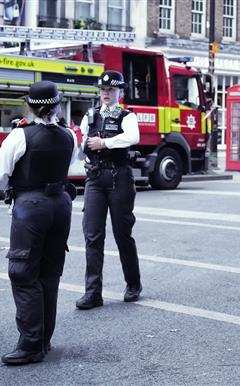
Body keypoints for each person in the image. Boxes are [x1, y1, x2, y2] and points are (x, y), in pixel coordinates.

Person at [0, 81, 79, 365]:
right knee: (49, 274)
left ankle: (30, 345)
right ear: (56, 105)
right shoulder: (69, 135)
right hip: (61, 205)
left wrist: (17, 189)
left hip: (31, 207)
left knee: (23, 273)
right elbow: (72, 165)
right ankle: (44, 340)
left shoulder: (20, 135)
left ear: (30, 106)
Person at [75, 70, 142, 310]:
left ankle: (133, 284)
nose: (106, 93)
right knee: (92, 236)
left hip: (119, 177)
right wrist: (84, 147)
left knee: (122, 233)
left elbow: (133, 137)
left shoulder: (127, 116)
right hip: (94, 178)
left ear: (120, 92)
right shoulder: (90, 116)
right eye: (103, 90)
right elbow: (82, 146)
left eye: (111, 89)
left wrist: (105, 143)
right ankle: (93, 293)